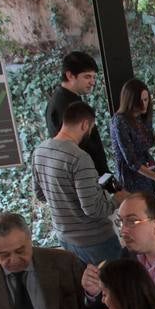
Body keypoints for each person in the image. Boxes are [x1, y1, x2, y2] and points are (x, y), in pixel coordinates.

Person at [33, 100, 125, 265]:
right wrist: (117, 199)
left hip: (65, 238)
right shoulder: (79, 157)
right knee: (115, 281)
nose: (89, 132)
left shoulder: (39, 151)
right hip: (95, 240)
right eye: (91, 128)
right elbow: (93, 209)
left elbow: (41, 194)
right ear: (85, 124)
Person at [45, 50, 111, 181]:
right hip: (85, 176)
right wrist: (105, 178)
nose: (92, 82)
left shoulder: (58, 100)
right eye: (87, 77)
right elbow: (84, 147)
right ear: (70, 75)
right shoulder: (68, 106)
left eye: (94, 77)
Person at [109, 78, 155, 196]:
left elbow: (146, 143)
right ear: (130, 101)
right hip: (131, 175)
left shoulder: (141, 117)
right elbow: (132, 162)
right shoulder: (120, 121)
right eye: (139, 101)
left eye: (146, 100)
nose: (144, 104)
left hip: (147, 168)